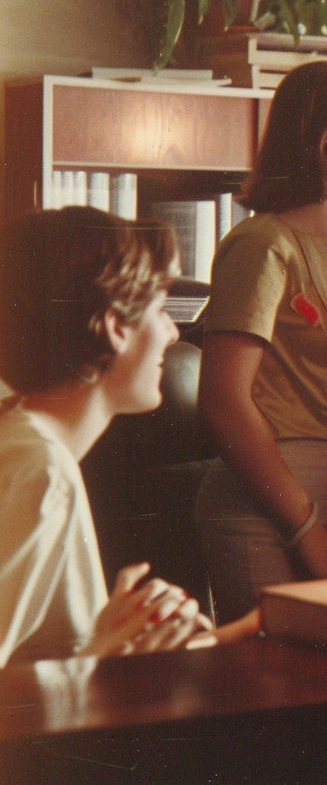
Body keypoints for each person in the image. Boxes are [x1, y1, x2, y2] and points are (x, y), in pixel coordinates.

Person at [195, 62, 327, 623]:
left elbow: (301, 398)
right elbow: (223, 402)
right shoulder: (264, 245)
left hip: (321, 498)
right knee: (276, 689)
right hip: (266, 510)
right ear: (326, 142)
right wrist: (306, 527)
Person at [0, 207, 219, 666]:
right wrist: (107, 653)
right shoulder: (42, 469)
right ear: (116, 327)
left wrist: (114, 634)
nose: (172, 332)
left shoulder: (25, 439)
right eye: (160, 311)